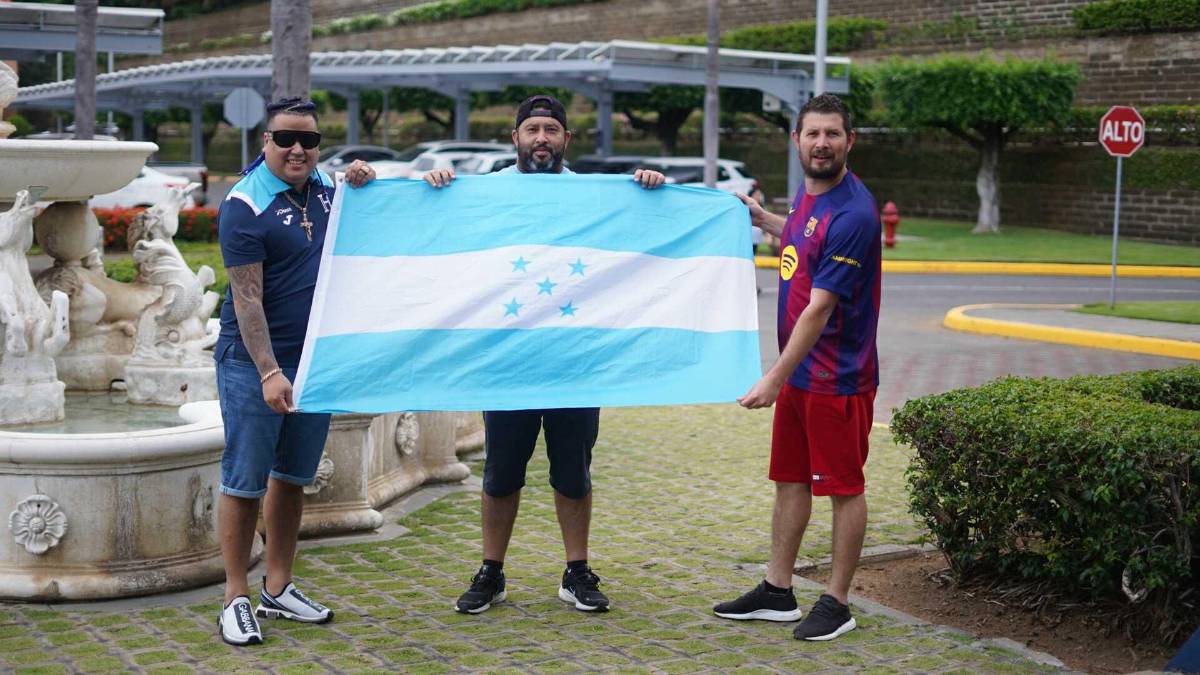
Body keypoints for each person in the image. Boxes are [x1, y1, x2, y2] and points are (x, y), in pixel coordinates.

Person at [423, 95, 665, 615]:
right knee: (501, 473)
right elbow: (440, 230)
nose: (540, 138)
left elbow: (644, 227)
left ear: (565, 140)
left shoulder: (595, 194)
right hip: (507, 362)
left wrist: (650, 188)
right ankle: (492, 571)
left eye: (550, 130)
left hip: (575, 362)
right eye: (531, 129)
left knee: (573, 474)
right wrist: (435, 189)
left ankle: (577, 570)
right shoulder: (484, 193)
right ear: (514, 138)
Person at [712, 93, 881, 641]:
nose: (823, 144)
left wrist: (771, 378)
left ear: (849, 142)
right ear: (797, 142)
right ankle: (778, 590)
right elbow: (808, 237)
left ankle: (837, 601)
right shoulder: (812, 200)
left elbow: (820, 307)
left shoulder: (856, 211)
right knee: (789, 481)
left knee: (843, 488)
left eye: (833, 134)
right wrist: (765, 220)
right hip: (804, 377)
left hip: (837, 379)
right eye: (813, 134)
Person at [214, 97, 376, 646]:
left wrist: (365, 178)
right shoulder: (244, 204)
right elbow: (246, 301)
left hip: (315, 360)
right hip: (255, 361)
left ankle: (277, 586)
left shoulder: (329, 189)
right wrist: (268, 372)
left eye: (308, 139)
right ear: (266, 141)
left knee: (292, 477)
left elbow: (372, 213)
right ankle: (235, 596)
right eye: (285, 139)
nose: (297, 149)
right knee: (244, 479)